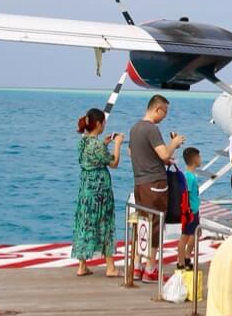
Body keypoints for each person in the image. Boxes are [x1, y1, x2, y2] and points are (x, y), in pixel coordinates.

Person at [126, 95, 184, 258]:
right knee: (155, 224)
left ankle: (137, 264)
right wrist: (175, 143)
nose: (165, 116)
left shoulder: (135, 128)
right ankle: (151, 266)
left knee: (142, 223)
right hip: (155, 184)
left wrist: (152, 159)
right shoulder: (151, 129)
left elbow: (131, 152)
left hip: (139, 183)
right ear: (157, 109)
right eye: (165, 112)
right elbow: (164, 154)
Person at [70, 108, 122, 277]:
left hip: (86, 189)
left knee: (85, 224)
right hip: (100, 190)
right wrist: (117, 144)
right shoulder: (97, 145)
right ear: (99, 124)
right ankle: (110, 267)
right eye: (104, 123)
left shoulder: (83, 142)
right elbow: (113, 163)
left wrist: (105, 144)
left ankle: (82, 265)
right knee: (104, 223)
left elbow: (90, 157)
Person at [174, 145, 204, 269]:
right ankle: (181, 261)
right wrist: (188, 210)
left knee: (194, 234)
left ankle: (187, 256)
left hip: (195, 210)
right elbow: (187, 194)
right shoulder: (189, 177)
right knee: (185, 236)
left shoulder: (190, 175)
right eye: (199, 157)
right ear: (195, 159)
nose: (201, 159)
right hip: (190, 212)